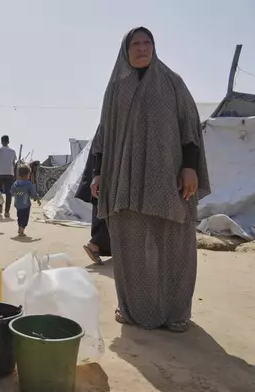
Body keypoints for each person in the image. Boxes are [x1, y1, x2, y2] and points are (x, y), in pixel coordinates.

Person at [90, 27, 210, 333]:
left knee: (175, 243)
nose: (142, 48)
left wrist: (190, 167)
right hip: (124, 179)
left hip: (168, 177)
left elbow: (189, 127)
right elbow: (105, 135)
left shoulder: (172, 83)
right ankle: (130, 310)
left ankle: (176, 313)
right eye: (135, 43)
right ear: (126, 50)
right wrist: (99, 173)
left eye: (147, 42)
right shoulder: (116, 89)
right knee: (128, 244)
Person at [75, 148, 111, 265]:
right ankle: (95, 244)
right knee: (108, 212)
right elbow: (99, 147)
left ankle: (97, 245)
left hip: (103, 172)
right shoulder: (106, 129)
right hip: (104, 173)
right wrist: (97, 173)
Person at [10, 164, 38, 237]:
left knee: (19, 216)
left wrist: (18, 193)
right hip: (26, 205)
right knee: (25, 217)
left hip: (17, 204)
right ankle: (22, 229)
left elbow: (12, 192)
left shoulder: (15, 183)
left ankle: (20, 227)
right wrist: (36, 198)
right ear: (27, 175)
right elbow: (33, 193)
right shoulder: (28, 184)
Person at [0, 135, 17, 218]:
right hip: (10, 174)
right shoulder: (12, 151)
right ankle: (7, 212)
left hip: (0, 173)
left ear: (1, 141)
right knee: (8, 193)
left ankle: (0, 208)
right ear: (8, 142)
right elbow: (14, 163)